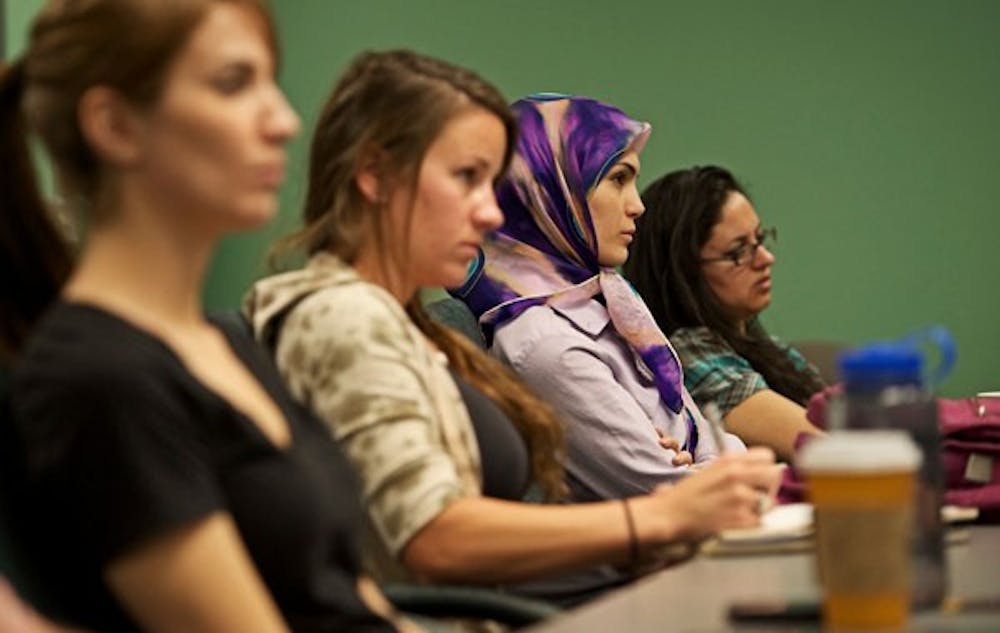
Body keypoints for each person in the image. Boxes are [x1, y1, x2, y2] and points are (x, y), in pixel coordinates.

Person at [245, 50, 779, 605]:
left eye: (491, 183)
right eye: (466, 178)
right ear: (376, 177)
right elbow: (436, 537)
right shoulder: (345, 316)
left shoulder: (405, 322)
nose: (491, 213)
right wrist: (659, 515)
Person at [0, 1, 406, 630]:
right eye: (234, 83)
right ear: (114, 125)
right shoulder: (99, 377)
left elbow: (345, 596)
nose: (284, 120)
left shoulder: (222, 343)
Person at [453, 94, 744, 504]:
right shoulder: (545, 344)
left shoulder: (610, 302)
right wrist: (712, 464)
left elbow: (704, 440)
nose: (638, 205)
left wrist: (709, 461)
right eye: (618, 179)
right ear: (551, 194)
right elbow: (677, 492)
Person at [622, 165, 825, 461]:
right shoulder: (686, 356)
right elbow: (830, 449)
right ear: (683, 273)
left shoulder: (773, 351)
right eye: (738, 252)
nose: (766, 258)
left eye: (759, 239)